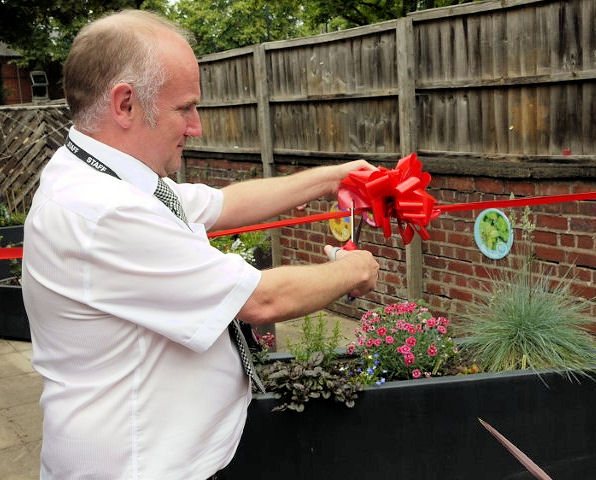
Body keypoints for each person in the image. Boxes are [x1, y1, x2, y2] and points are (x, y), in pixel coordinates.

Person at [21, 9, 379, 480]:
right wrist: (354, 269)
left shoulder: (112, 177)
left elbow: (223, 203)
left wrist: (335, 177)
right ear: (125, 104)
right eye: (184, 107)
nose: (197, 126)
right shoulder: (101, 210)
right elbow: (260, 299)